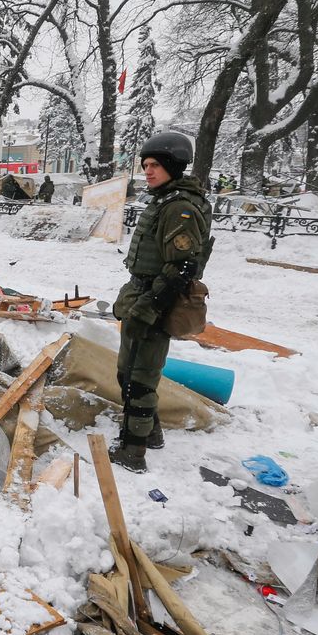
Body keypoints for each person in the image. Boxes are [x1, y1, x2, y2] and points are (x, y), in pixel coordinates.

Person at [110, 132, 213, 473]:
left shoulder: (179, 208)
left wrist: (149, 308)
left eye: (155, 165)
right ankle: (150, 432)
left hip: (157, 298)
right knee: (131, 370)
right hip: (145, 292)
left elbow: (181, 267)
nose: (148, 171)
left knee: (140, 376)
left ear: (173, 166)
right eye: (145, 165)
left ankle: (133, 449)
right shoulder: (166, 200)